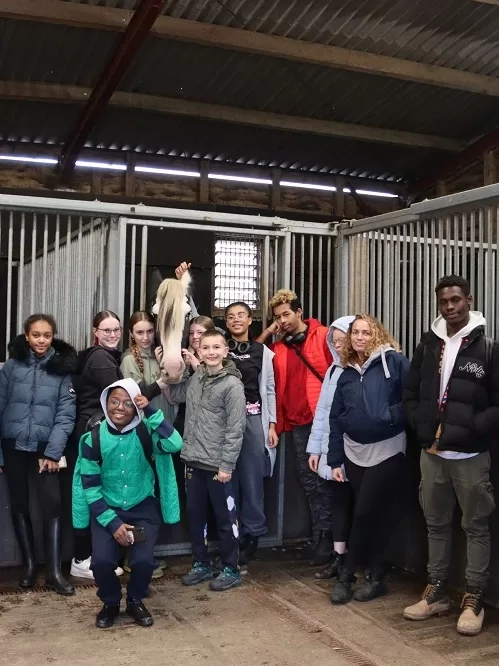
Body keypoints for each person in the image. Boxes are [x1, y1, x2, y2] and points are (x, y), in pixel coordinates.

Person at [402, 275, 499, 636]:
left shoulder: (488, 348)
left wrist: (469, 427)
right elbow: (410, 391)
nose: (450, 307)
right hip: (432, 453)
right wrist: (421, 426)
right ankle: (437, 592)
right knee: (435, 523)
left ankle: (473, 598)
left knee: (475, 526)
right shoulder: (428, 344)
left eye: (456, 300)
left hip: (470, 456)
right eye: (444, 302)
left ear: (469, 300)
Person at [72, 378, 182, 629]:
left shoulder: (146, 432)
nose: (120, 408)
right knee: (100, 562)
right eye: (114, 402)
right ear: (105, 403)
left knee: (143, 562)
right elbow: (90, 488)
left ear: (136, 408)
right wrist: (112, 524)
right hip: (106, 509)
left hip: (143, 509)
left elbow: (175, 444)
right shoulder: (92, 439)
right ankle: (111, 602)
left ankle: (134, 600)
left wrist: (150, 411)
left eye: (127, 403)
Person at [67, 310, 165, 580]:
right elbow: (125, 398)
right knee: (92, 492)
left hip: (99, 431)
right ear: (95, 332)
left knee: (104, 491)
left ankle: (106, 554)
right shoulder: (101, 359)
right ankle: (86, 557)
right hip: (97, 434)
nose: (112, 334)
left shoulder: (105, 356)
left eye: (116, 329)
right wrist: (161, 382)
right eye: (106, 330)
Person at [328, 314, 410, 605]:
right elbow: (335, 417)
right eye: (356, 333)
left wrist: (388, 417)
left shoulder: (395, 362)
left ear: (377, 334)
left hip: (387, 449)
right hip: (353, 452)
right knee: (372, 515)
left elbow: (411, 398)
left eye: (366, 332)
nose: (360, 337)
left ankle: (346, 576)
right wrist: (335, 459)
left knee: (362, 513)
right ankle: (377, 577)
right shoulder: (345, 372)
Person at [0, 314, 77, 595]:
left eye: (46, 335)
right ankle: (30, 566)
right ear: (27, 335)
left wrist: (53, 452)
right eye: (36, 335)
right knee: (19, 504)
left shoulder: (62, 370)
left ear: (53, 336)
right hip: (14, 445)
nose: (41, 340)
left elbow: (66, 416)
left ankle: (55, 572)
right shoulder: (11, 367)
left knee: (51, 504)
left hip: (46, 449)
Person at [258, 289, 332, 558]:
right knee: (309, 482)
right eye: (278, 317)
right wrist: (268, 332)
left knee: (325, 481)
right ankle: (319, 537)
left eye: (286, 314)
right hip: (299, 422)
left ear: (300, 311)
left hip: (323, 420)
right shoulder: (279, 347)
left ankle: (328, 540)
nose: (283, 321)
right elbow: (252, 356)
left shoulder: (324, 336)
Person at [170, 330, 246, 591]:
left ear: (226, 352)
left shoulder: (232, 385)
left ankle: (231, 568)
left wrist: (226, 465)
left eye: (216, 347)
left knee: (225, 519)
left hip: (217, 465)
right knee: (196, 517)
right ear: (199, 352)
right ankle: (200, 564)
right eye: (206, 348)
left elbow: (236, 428)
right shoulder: (196, 378)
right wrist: (173, 368)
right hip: (193, 461)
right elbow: (176, 395)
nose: (211, 352)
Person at [224, 301, 278, 565]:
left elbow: (268, 389)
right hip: (223, 421)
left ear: (249, 321)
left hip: (253, 418)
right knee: (226, 478)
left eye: (241, 315)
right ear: (226, 323)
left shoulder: (263, 352)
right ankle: (229, 534)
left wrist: (271, 425)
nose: (236, 320)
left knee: (252, 479)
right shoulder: (218, 348)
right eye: (231, 316)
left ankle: (252, 533)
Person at [306, 316, 355, 575]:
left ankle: (356, 560)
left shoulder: (361, 370)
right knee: (337, 504)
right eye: (333, 341)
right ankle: (339, 558)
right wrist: (315, 449)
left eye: (341, 340)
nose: (337, 346)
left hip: (355, 450)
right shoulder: (333, 370)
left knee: (356, 507)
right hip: (332, 450)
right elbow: (322, 411)